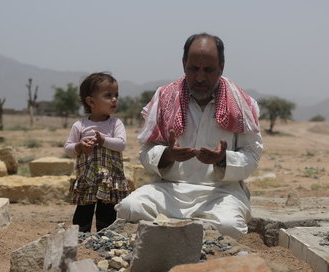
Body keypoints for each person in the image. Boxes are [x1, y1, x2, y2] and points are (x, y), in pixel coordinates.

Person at [115, 33, 263, 239]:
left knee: (230, 226)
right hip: (169, 190)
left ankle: (175, 230)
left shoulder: (243, 104)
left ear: (221, 67)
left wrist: (223, 160)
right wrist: (167, 155)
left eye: (208, 70)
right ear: (184, 64)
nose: (200, 77)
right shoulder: (164, 97)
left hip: (219, 193)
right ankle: (194, 231)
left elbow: (252, 156)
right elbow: (146, 152)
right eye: (194, 69)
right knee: (129, 207)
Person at [64, 72, 130, 233]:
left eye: (116, 95)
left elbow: (121, 144)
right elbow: (68, 148)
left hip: (110, 177)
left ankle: (105, 237)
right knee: (83, 211)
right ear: (91, 101)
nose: (114, 99)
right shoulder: (79, 125)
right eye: (108, 95)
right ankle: (80, 236)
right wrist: (79, 146)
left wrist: (103, 141)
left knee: (107, 211)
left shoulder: (116, 123)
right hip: (87, 177)